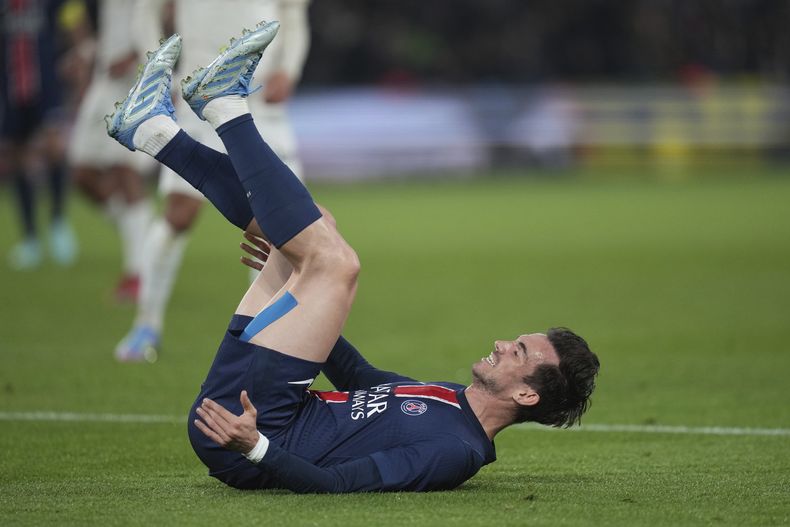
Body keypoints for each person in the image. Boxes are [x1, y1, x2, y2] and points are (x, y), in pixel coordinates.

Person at [106, 26, 600, 493]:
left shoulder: (457, 451)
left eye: (518, 352)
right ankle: (152, 130)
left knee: (336, 264)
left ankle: (224, 106)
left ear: (527, 395)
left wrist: (254, 447)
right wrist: (293, 291)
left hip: (257, 431)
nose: (502, 342)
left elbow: (338, 485)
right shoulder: (450, 399)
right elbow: (359, 379)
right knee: (310, 231)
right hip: (255, 405)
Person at [114, 0, 311, 361]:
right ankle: (146, 325)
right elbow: (146, 10)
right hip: (197, 93)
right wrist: (159, 71)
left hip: (261, 98)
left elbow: (294, 15)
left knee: (282, 224)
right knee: (179, 214)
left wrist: (290, 70)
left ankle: (260, 337)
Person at [69, 0, 158, 302]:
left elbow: (171, 15)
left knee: (127, 170)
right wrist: (86, 52)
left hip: (139, 78)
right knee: (82, 173)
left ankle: (139, 273)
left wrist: (137, 54)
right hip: (105, 80)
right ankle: (142, 237)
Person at [2, 0, 77, 270]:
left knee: (55, 147)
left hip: (46, 85)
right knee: (17, 156)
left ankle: (58, 222)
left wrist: (76, 50)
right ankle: (30, 237)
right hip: (11, 89)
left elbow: (71, 18)